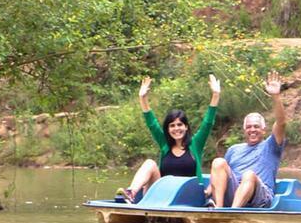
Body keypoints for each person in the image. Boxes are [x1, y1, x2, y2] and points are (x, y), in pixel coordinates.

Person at [116, 73, 220, 203]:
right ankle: (131, 192)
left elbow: (208, 123)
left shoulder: (195, 144)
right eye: (172, 126)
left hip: (188, 197)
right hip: (164, 196)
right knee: (150, 163)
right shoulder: (165, 144)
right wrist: (142, 98)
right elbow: (152, 123)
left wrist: (216, 95)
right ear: (168, 129)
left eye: (180, 124)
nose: (176, 128)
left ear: (186, 127)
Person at [205, 70, 286, 209]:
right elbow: (220, 175)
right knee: (218, 162)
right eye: (249, 127)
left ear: (263, 130)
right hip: (235, 192)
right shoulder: (233, 150)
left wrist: (276, 97)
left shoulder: (271, 146)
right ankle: (218, 208)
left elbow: (281, 122)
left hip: (260, 196)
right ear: (244, 130)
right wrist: (207, 190)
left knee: (248, 175)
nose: (252, 130)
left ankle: (234, 212)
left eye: (256, 126)